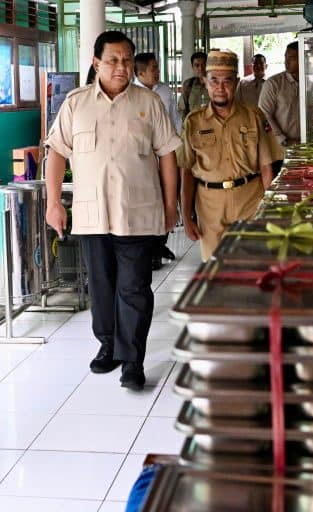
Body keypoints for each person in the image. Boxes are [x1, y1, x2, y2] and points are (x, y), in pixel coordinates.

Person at [45, 31, 181, 390]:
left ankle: (132, 361)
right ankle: (108, 346)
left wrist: (171, 205)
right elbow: (56, 152)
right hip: (92, 216)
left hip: (138, 214)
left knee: (134, 288)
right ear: (96, 63)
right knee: (102, 287)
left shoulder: (149, 103)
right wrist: (53, 202)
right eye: (113, 60)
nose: (121, 67)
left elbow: (168, 155)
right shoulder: (75, 104)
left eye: (126, 60)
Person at [177, 50, 279, 261]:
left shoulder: (254, 116)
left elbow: (266, 167)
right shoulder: (193, 122)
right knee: (215, 270)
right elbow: (186, 171)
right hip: (210, 206)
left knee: (252, 266)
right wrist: (186, 216)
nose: (220, 88)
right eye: (214, 81)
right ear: (205, 82)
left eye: (227, 81)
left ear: (237, 82)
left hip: (250, 200)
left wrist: (272, 209)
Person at [134, 52, 182, 269]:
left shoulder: (164, 90)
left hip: (167, 153)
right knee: (151, 200)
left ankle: (160, 244)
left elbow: (174, 118)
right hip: (145, 158)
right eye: (153, 68)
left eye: (157, 67)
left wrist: (177, 143)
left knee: (168, 195)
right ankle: (151, 249)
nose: (157, 72)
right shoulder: (131, 94)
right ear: (140, 73)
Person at [259, 41, 300, 173]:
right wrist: (283, 139)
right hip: (280, 152)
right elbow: (264, 114)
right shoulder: (273, 84)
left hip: (307, 148)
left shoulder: (311, 82)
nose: (286, 62)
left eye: (292, 58)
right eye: (285, 57)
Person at [178, 51, 210, 121]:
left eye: (204, 64)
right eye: (197, 65)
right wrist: (187, 124)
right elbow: (182, 109)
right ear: (192, 67)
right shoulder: (188, 84)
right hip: (193, 125)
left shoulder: (215, 85)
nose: (200, 68)